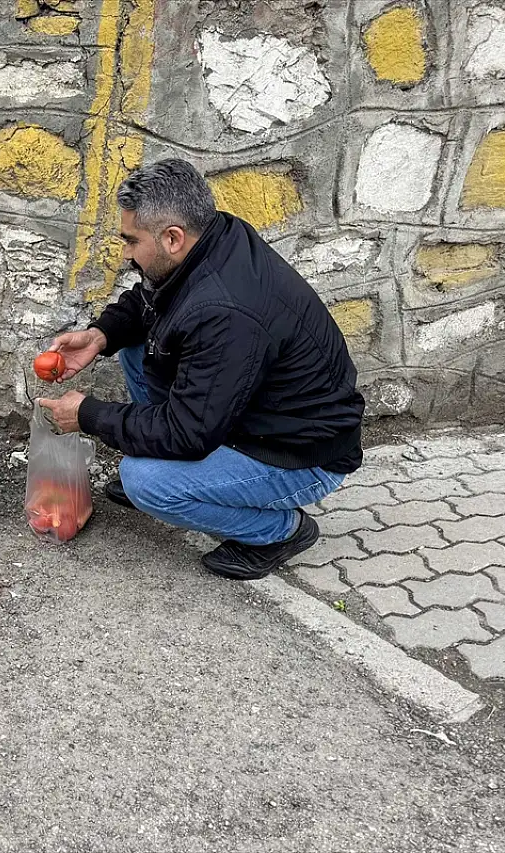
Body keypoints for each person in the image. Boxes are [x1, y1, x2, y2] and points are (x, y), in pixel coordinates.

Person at [38, 158, 365, 580]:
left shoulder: (225, 311)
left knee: (145, 481)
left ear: (173, 237)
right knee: (138, 348)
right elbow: (152, 300)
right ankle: (183, 473)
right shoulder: (212, 240)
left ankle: (281, 531)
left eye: (131, 241)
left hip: (300, 455)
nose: (125, 253)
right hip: (249, 413)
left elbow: (188, 433)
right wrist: (102, 335)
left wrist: (87, 415)